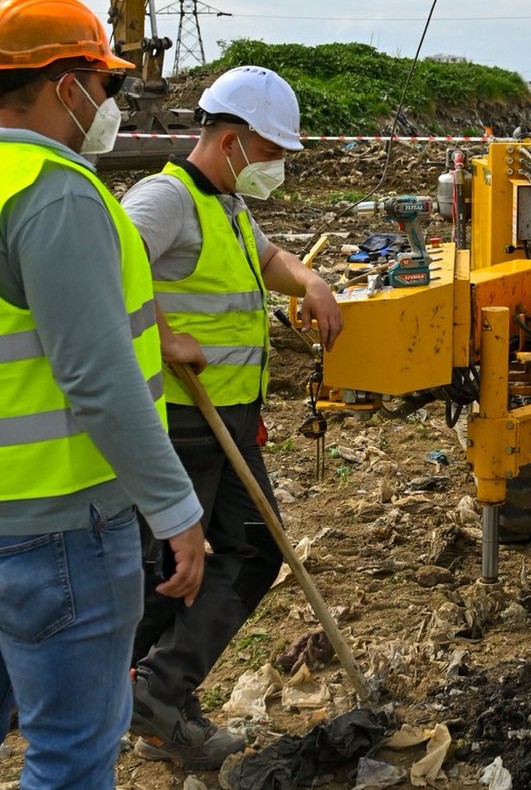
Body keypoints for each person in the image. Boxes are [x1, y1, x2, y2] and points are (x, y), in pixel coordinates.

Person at [0, 0, 207, 786]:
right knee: (72, 754)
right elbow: (96, 376)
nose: (110, 105)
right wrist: (175, 508)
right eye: (102, 83)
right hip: (60, 527)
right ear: (64, 86)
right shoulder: (55, 194)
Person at [119, 65, 342, 771]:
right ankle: (140, 695)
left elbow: (269, 258)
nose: (274, 169)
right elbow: (104, 268)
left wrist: (309, 278)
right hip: (184, 422)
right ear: (234, 139)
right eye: (271, 155)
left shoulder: (229, 209)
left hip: (233, 421)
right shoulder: (166, 199)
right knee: (170, 568)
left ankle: (152, 692)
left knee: (244, 553)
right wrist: (159, 334)